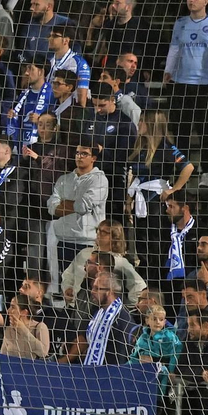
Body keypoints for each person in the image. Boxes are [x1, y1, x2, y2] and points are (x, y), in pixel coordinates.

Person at [163, 0, 208, 179]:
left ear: (205, 1)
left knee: (206, 131)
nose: (191, 0)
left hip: (205, 86)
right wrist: (168, 70)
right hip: (181, 84)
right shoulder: (180, 23)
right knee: (180, 130)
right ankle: (183, 169)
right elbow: (174, 49)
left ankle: (207, 172)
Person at [45, 144, 108, 298]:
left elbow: (83, 206)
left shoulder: (99, 180)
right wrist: (74, 204)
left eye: (84, 154)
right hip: (63, 240)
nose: (79, 156)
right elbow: (51, 207)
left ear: (93, 158)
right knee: (63, 288)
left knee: (81, 289)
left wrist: (65, 204)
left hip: (86, 243)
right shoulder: (64, 179)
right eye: (78, 153)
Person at [82, 271, 135, 365]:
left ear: (109, 292)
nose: (92, 291)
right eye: (92, 287)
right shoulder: (98, 312)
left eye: (97, 288)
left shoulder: (121, 318)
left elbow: (121, 356)